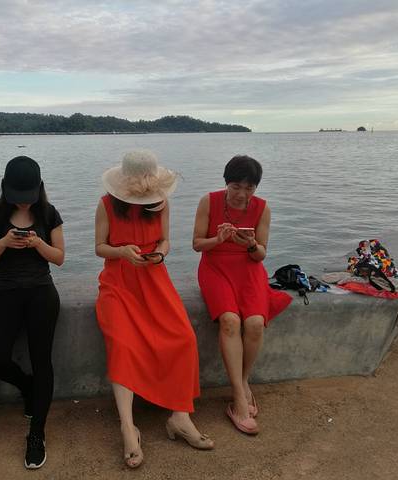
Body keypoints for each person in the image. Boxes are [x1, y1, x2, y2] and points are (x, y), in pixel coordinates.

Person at [95, 150, 214, 469]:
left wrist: (159, 254)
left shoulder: (161, 203)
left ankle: (180, 416)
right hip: (118, 282)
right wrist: (122, 252)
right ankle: (127, 427)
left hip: (154, 278)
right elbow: (99, 247)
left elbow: (165, 241)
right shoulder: (106, 204)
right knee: (122, 345)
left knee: (184, 338)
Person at [193, 155, 291, 435]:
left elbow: (261, 254)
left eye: (249, 188)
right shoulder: (209, 201)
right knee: (230, 320)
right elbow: (197, 244)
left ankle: (244, 380)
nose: (242, 194)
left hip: (249, 268)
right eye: (236, 186)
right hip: (215, 267)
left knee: (255, 323)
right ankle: (238, 396)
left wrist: (250, 245)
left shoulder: (262, 208)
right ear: (227, 183)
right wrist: (219, 239)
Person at [0, 155, 64, 470]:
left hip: (42, 294)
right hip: (7, 294)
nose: (25, 203)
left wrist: (38, 244)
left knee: (43, 362)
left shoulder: (49, 213)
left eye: (29, 197)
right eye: (19, 197)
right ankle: (28, 388)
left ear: (39, 189)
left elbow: (59, 257)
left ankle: (37, 434)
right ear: (6, 189)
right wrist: (4, 242)